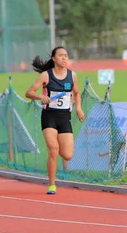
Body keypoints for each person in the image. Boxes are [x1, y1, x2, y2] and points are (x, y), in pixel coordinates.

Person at [25, 47, 85, 195]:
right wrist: (41, 97)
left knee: (67, 155)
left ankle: (59, 150)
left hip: (65, 117)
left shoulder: (72, 76)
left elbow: (77, 93)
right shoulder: (46, 75)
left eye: (66, 56)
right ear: (54, 58)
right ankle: (52, 185)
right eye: (61, 56)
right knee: (53, 150)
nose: (64, 58)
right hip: (49, 116)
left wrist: (78, 108)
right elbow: (29, 92)